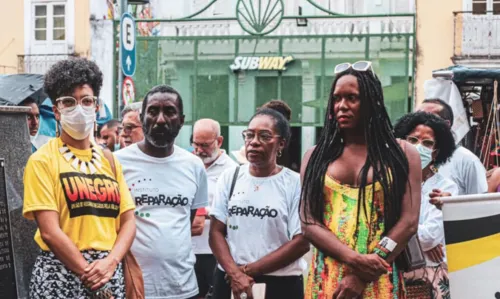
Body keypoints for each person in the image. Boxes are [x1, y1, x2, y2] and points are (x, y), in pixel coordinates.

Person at [300, 61, 422, 298]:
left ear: (372, 102)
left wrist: (362, 275)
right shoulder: (315, 156)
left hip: (380, 277)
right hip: (327, 280)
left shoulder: (403, 154)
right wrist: (355, 260)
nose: (341, 106)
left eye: (351, 98)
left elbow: (408, 222)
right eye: (336, 99)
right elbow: (308, 222)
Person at [22, 58, 136, 299]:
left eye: (86, 100)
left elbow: (128, 221)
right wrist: (92, 276)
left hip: (108, 272)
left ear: (96, 106)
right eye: (68, 102)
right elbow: (49, 232)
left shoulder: (110, 161)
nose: (79, 108)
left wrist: (110, 263)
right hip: (60, 275)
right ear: (56, 110)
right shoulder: (43, 161)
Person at [115, 85, 208, 299]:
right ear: (142, 116)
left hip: (182, 288)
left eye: (169, 112)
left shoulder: (194, 166)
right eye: (153, 111)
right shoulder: (117, 163)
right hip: (132, 287)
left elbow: (187, 220)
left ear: (182, 120)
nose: (160, 120)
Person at [209, 108, 309, 299]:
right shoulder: (231, 177)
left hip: (280, 284)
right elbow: (216, 232)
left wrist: (246, 271)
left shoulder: (295, 183)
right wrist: (234, 273)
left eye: (264, 136)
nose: (254, 142)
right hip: (230, 280)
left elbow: (301, 242)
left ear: (281, 143)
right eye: (249, 135)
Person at [394, 111, 458, 298]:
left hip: (433, 275)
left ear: (436, 152)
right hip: (395, 271)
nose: (418, 147)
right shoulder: (389, 182)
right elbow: (381, 226)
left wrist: (403, 233)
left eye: (427, 143)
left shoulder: (446, 187)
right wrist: (418, 239)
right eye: (412, 140)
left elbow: (430, 236)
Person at [191, 118, 238, 298]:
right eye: (196, 144)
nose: (200, 150)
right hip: (188, 249)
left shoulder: (232, 171)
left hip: (215, 252)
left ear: (219, 141)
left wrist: (207, 212)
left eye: (205, 145)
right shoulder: (188, 164)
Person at [417, 98, 487, 195]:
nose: (420, 125)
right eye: (417, 119)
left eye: (428, 120)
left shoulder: (467, 161)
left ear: (446, 125)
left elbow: (480, 204)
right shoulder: (410, 157)